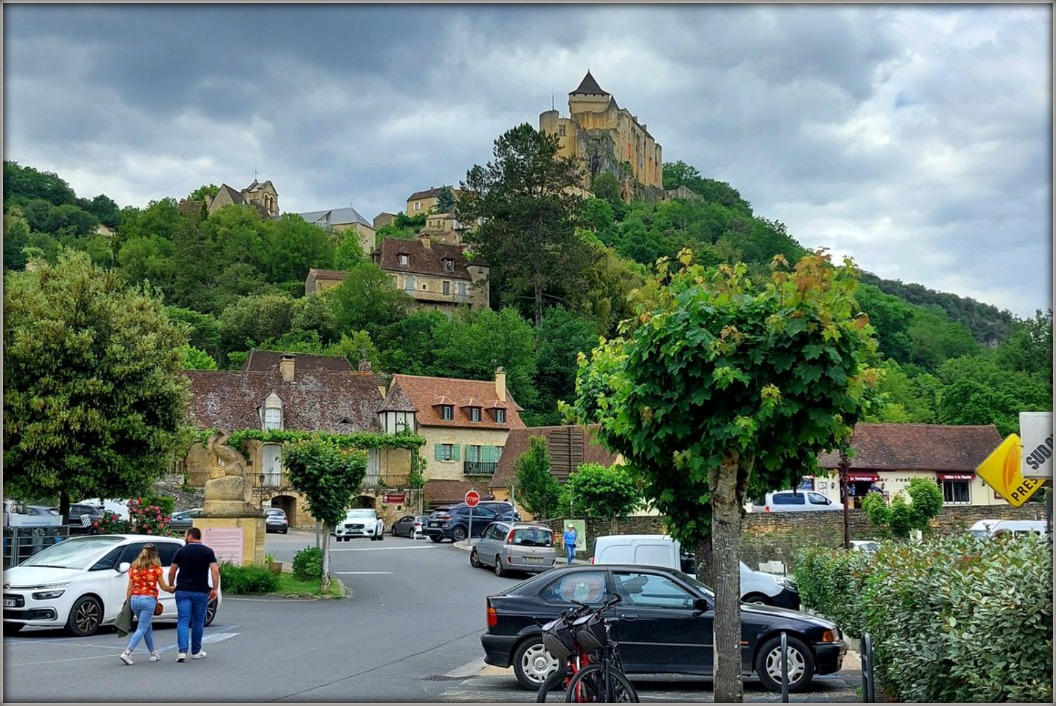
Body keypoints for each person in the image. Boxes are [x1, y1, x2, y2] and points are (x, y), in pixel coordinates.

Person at [168, 527, 220, 662]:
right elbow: (215, 571)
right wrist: (215, 588)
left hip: (183, 590)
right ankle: (196, 651)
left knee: (183, 620)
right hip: (201, 591)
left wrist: (171, 585)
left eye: (185, 535)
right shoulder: (208, 552)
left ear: (190, 536)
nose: (185, 537)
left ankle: (182, 652)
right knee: (197, 621)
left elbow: (172, 571)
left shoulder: (181, 552)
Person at [119, 544, 174, 665]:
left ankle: (153, 653)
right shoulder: (156, 569)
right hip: (148, 600)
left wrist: (128, 602)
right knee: (142, 628)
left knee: (147, 627)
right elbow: (164, 587)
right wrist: (172, 589)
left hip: (134, 599)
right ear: (155, 555)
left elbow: (129, 587)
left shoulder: (134, 567)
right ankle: (127, 653)